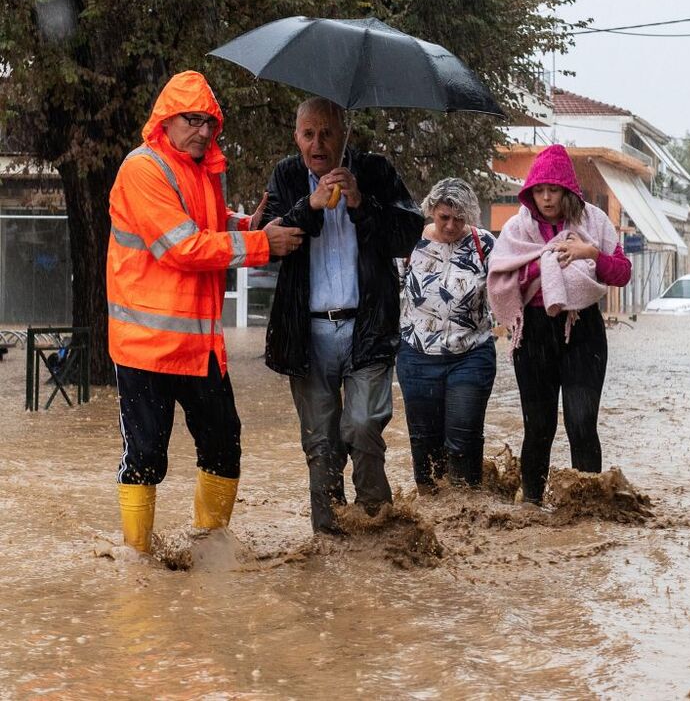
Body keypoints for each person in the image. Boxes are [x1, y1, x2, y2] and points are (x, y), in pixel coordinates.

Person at [108, 70, 305, 553]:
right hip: (146, 349)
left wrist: (247, 222)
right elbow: (182, 247)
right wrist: (261, 243)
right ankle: (138, 561)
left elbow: (209, 227)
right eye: (192, 120)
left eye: (210, 123)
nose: (202, 131)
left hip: (200, 347)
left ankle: (212, 552)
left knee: (223, 446)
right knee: (146, 457)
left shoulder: (204, 170)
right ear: (166, 121)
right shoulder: (142, 168)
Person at [263, 97, 424, 532]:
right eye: (309, 134)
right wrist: (310, 206)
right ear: (296, 137)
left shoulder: (375, 171)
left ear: (342, 134)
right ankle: (329, 539)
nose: (318, 143)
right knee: (320, 443)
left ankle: (377, 524)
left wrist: (361, 203)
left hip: (367, 326)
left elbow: (409, 233)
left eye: (327, 132)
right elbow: (270, 243)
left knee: (362, 425)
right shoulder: (287, 175)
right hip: (308, 332)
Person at [487, 144, 632, 505]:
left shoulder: (593, 222)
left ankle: (587, 510)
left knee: (581, 425)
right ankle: (533, 507)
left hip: (583, 331)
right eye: (539, 190)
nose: (547, 198)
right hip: (533, 332)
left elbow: (622, 273)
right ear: (530, 191)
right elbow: (501, 277)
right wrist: (543, 262)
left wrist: (590, 254)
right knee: (538, 427)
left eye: (553, 190)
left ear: (568, 190)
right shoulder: (517, 228)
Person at [396, 178, 496, 493]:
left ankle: (467, 510)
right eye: (444, 218)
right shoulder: (409, 241)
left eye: (459, 219)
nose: (451, 226)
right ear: (432, 212)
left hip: (471, 354)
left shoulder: (485, 244)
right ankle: (430, 507)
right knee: (424, 441)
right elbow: (390, 290)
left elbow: (505, 291)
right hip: (417, 356)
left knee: (463, 436)